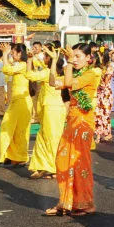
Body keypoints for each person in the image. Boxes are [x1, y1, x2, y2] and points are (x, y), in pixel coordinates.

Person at [46, 43, 102, 217]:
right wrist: (55, 61)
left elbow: (69, 83)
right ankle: (66, 201)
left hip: (83, 122)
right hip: (71, 120)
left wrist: (69, 62)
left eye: (78, 56)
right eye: (73, 56)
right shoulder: (74, 72)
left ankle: (85, 203)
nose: (75, 59)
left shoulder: (90, 74)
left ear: (89, 58)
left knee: (79, 163)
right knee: (63, 160)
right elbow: (53, 82)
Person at [27, 48, 67, 179]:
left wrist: (29, 60)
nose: (43, 58)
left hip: (52, 109)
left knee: (51, 139)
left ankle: (54, 168)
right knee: (43, 137)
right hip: (51, 109)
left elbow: (30, 75)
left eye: (45, 56)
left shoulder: (48, 73)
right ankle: (43, 166)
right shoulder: (54, 71)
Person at [0, 42, 33, 169]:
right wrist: (6, 54)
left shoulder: (23, 65)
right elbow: (8, 67)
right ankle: (11, 156)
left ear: (20, 53)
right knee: (12, 129)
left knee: (19, 131)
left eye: (13, 52)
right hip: (16, 101)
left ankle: (19, 158)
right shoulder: (19, 64)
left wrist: (5, 54)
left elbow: (7, 70)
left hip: (22, 101)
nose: (12, 53)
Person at [94, 48, 114, 144]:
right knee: (98, 114)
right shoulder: (98, 67)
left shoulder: (109, 67)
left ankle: (108, 134)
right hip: (98, 92)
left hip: (105, 93)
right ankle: (98, 135)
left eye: (100, 55)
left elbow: (105, 83)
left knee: (105, 114)